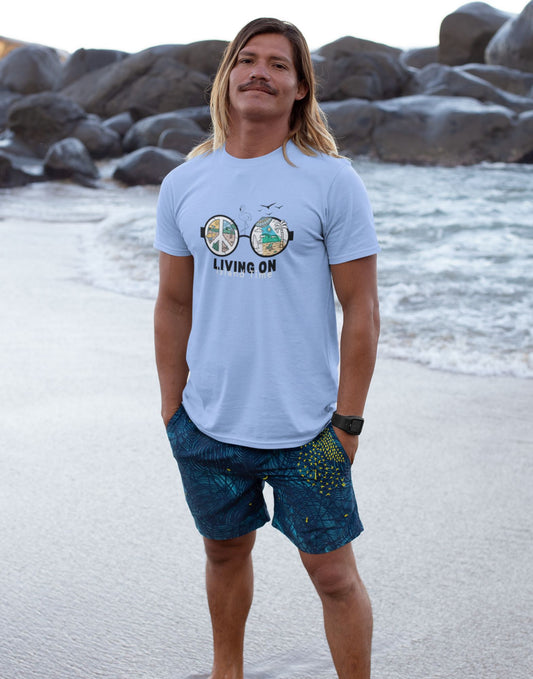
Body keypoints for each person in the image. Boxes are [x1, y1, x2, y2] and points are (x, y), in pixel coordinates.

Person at [154, 17, 380, 679]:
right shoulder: (184, 184)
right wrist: (173, 407)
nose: (260, 72)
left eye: (278, 64)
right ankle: (228, 672)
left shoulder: (330, 181)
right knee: (223, 552)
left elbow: (361, 310)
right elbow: (173, 301)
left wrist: (347, 421)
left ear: (300, 88)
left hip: (307, 428)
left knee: (334, 574)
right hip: (206, 422)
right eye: (246, 60)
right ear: (226, 79)